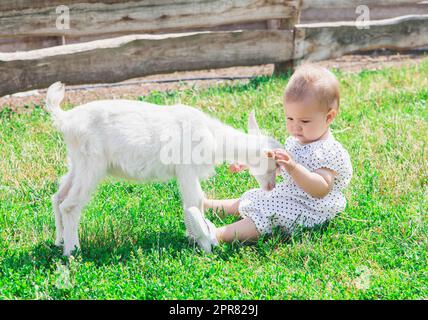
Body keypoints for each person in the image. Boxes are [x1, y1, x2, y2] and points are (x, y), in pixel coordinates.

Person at [185, 64, 353, 253]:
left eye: (304, 121)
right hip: (290, 195)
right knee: (254, 197)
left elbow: (321, 188)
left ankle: (215, 235)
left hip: (311, 208)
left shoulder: (328, 151)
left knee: (266, 218)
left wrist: (293, 166)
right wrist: (251, 163)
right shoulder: (299, 139)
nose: (295, 127)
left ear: (329, 117)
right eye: (290, 119)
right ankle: (206, 205)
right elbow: (277, 166)